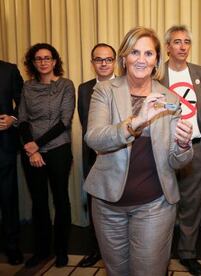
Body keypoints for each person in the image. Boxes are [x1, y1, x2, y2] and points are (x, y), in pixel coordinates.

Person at [83, 26, 194, 276]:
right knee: (116, 271)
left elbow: (178, 161)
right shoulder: (104, 91)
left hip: (154, 205)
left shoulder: (170, 99)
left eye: (148, 54)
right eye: (135, 52)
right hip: (108, 204)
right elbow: (95, 138)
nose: (141, 60)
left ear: (156, 60)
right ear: (124, 57)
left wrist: (184, 145)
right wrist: (136, 121)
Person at [160, 25, 201, 276]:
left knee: (192, 204)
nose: (182, 46)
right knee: (164, 202)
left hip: (197, 149)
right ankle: (160, 251)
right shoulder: (157, 74)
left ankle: (188, 254)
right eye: (177, 42)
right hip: (164, 150)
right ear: (168, 46)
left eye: (187, 42)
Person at [18, 43, 75, 268]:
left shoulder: (65, 85)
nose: (43, 62)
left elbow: (64, 121)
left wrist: (36, 145)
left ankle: (61, 250)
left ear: (54, 61)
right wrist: (31, 148)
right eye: (38, 58)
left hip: (58, 149)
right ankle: (42, 251)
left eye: (47, 58)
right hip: (32, 152)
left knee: (61, 199)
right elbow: (22, 119)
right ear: (33, 63)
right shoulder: (27, 87)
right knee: (39, 202)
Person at [77, 43, 116, 267]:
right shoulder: (84, 88)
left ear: (115, 62)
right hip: (93, 157)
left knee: (118, 206)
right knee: (96, 206)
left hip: (121, 155)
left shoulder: (124, 85)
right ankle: (96, 250)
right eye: (98, 59)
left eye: (108, 59)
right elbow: (85, 124)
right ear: (92, 62)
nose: (103, 63)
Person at [0, 60, 24, 265]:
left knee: (8, 199)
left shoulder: (9, 70)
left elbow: (23, 102)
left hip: (3, 146)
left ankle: (12, 247)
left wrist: (12, 119)